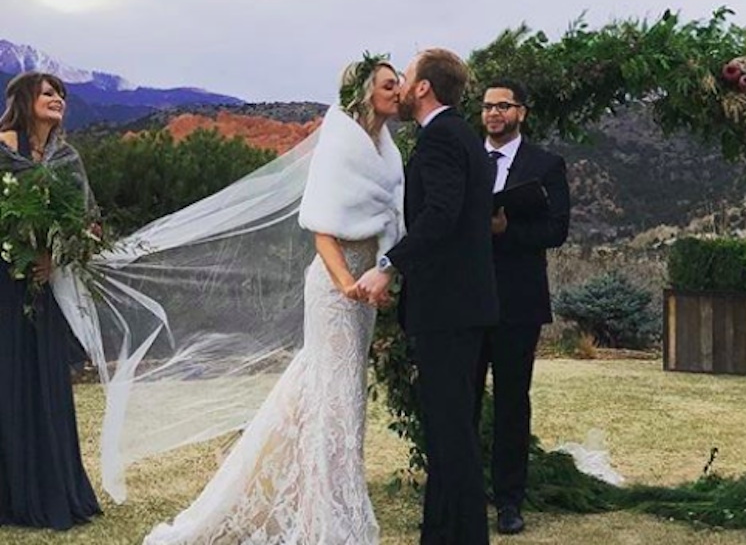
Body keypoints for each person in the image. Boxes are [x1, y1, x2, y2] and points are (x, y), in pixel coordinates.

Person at [143, 58, 405, 544]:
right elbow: (322, 231)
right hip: (334, 285)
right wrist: (349, 281)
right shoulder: (341, 143)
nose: (399, 91)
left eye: (400, 83)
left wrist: (382, 275)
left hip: (364, 284)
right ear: (366, 92)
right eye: (390, 84)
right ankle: (326, 523)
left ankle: (319, 505)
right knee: (334, 399)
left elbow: (388, 219)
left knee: (329, 393)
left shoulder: (386, 149)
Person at [357, 48, 498, 545]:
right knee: (449, 431)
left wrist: (388, 265)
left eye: (408, 75)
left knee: (451, 433)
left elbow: (440, 215)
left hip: (447, 308)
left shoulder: (440, 140)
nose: (401, 84)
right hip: (467, 305)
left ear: (423, 88)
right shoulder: (464, 137)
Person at [0, 72, 103, 530]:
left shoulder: (68, 158)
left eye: (61, 94)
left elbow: (87, 221)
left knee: (44, 383)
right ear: (25, 100)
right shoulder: (2, 148)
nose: (58, 99)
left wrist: (54, 254)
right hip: (4, 282)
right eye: (47, 93)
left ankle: (50, 488)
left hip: (43, 286)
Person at [473, 79, 570, 535]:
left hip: (518, 303)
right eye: (488, 106)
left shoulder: (545, 164)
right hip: (464, 300)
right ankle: (463, 495)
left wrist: (505, 232)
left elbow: (556, 230)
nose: (494, 113)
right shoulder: (466, 159)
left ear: (521, 113)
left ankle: (510, 502)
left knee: (513, 403)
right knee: (462, 403)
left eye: (504, 106)